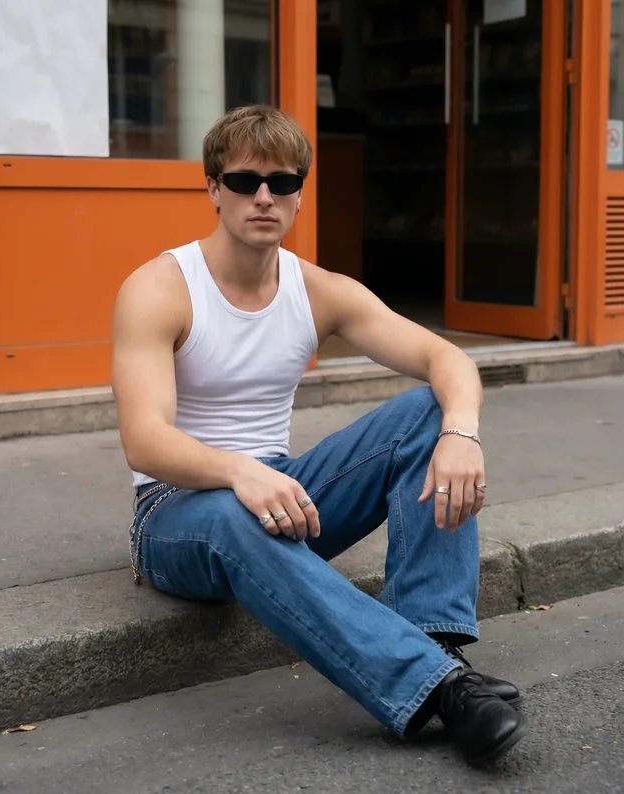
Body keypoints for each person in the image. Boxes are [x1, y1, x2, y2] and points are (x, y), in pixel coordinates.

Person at [112, 105, 527, 768]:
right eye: (244, 181)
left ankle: (432, 643)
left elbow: (446, 358)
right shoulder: (161, 288)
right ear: (213, 187)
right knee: (230, 511)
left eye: (282, 182)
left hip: (283, 490)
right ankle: (437, 688)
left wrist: (461, 433)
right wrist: (238, 472)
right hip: (176, 511)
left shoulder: (318, 289)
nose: (264, 197)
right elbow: (145, 440)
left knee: (429, 411)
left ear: (300, 194)